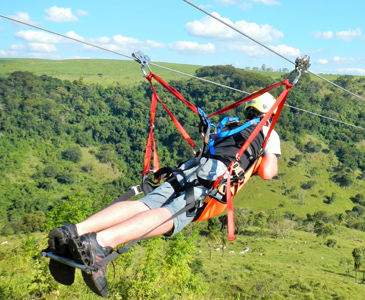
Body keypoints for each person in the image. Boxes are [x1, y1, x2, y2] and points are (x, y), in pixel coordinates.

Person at [46, 93, 281, 297]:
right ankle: (99, 244)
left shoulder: (231, 125)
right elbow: (269, 172)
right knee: (171, 216)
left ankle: (74, 231)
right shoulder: (268, 132)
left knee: (146, 205)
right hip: (215, 178)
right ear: (269, 114)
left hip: (190, 168)